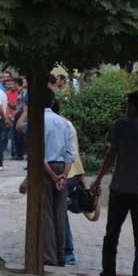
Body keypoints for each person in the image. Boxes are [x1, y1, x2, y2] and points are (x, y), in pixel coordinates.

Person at [91, 91, 138, 276]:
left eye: (128, 103)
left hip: (120, 188)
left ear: (134, 106)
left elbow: (111, 155)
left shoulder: (120, 125)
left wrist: (98, 179)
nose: (126, 107)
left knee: (111, 236)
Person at [41, 90, 75, 266]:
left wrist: (54, 176)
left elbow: (39, 154)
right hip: (63, 167)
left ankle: (48, 256)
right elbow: (70, 153)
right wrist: (63, 175)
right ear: (53, 101)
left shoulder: (39, 122)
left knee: (45, 213)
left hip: (47, 170)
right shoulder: (64, 122)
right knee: (60, 212)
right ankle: (61, 255)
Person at [60, 101, 85, 266]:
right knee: (60, 212)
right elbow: (75, 150)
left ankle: (67, 251)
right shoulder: (68, 124)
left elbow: (68, 152)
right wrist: (82, 175)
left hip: (63, 173)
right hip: (74, 172)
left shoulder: (56, 125)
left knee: (59, 213)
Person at [5, 77, 19, 159]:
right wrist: (7, 116)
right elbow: (5, 106)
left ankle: (14, 153)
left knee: (14, 136)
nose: (12, 86)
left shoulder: (19, 93)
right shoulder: (6, 93)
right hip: (9, 116)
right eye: (10, 84)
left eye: (13, 84)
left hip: (16, 117)